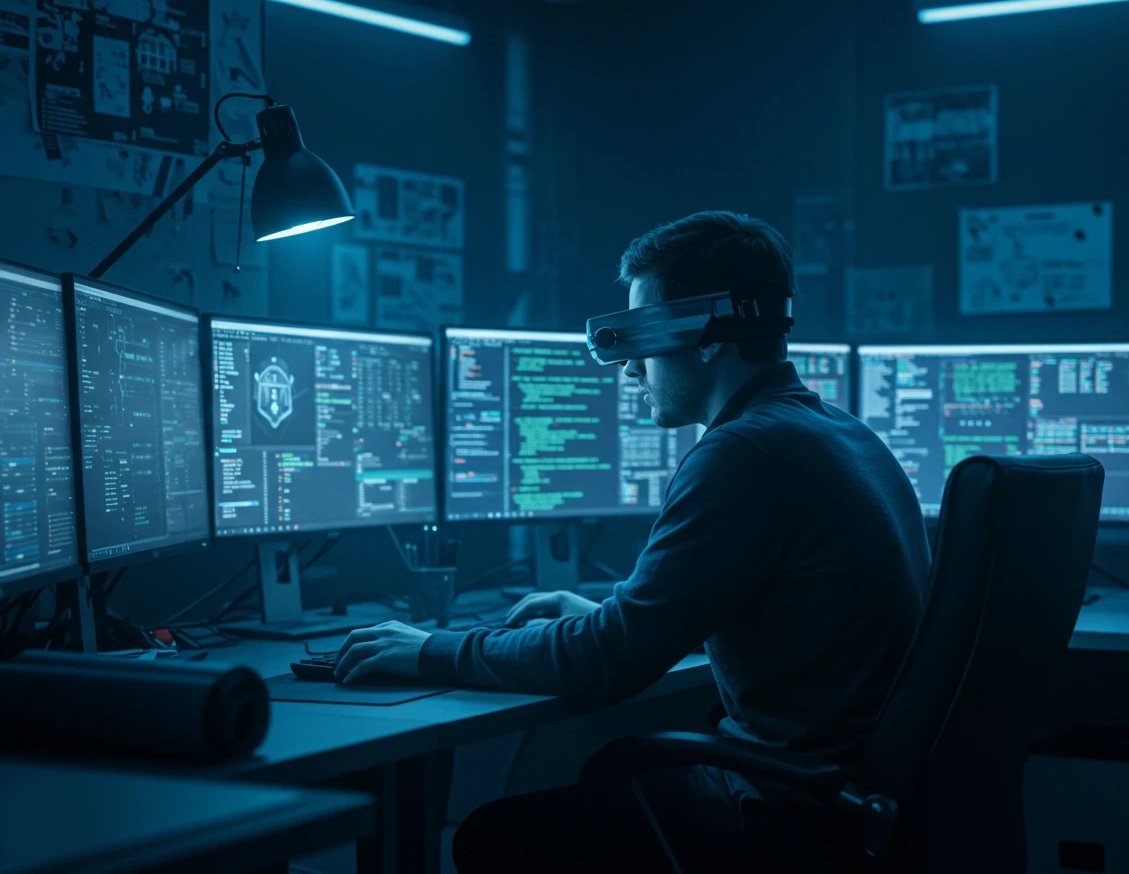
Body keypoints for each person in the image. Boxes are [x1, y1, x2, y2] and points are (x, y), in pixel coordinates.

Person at [334, 211, 931, 871]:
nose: (628, 369)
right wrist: (610, 616)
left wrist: (429, 649)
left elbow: (607, 664)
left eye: (639, 334)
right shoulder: (842, 433)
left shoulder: (743, 453)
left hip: (787, 812)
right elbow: (795, 624)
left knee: (491, 837)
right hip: (852, 799)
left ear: (706, 336)